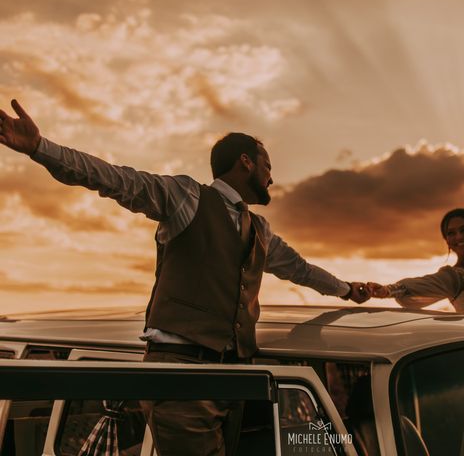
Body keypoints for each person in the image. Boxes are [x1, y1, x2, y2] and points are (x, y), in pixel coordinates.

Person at [0, 99, 371, 455]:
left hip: (235, 379)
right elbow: (113, 179)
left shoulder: (259, 229)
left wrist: (347, 290)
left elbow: (300, 270)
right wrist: (39, 148)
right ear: (245, 162)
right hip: (179, 376)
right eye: (267, 165)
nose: (272, 177)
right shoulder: (185, 197)